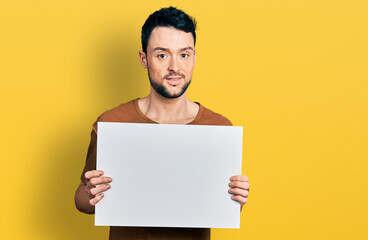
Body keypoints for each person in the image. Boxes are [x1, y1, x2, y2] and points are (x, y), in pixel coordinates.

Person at [74, 6, 250, 240]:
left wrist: (236, 197)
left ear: (194, 58)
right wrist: (91, 193)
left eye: (184, 54)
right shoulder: (112, 123)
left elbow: (222, 207)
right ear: (144, 59)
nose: (175, 67)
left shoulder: (218, 129)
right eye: (162, 55)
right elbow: (81, 200)